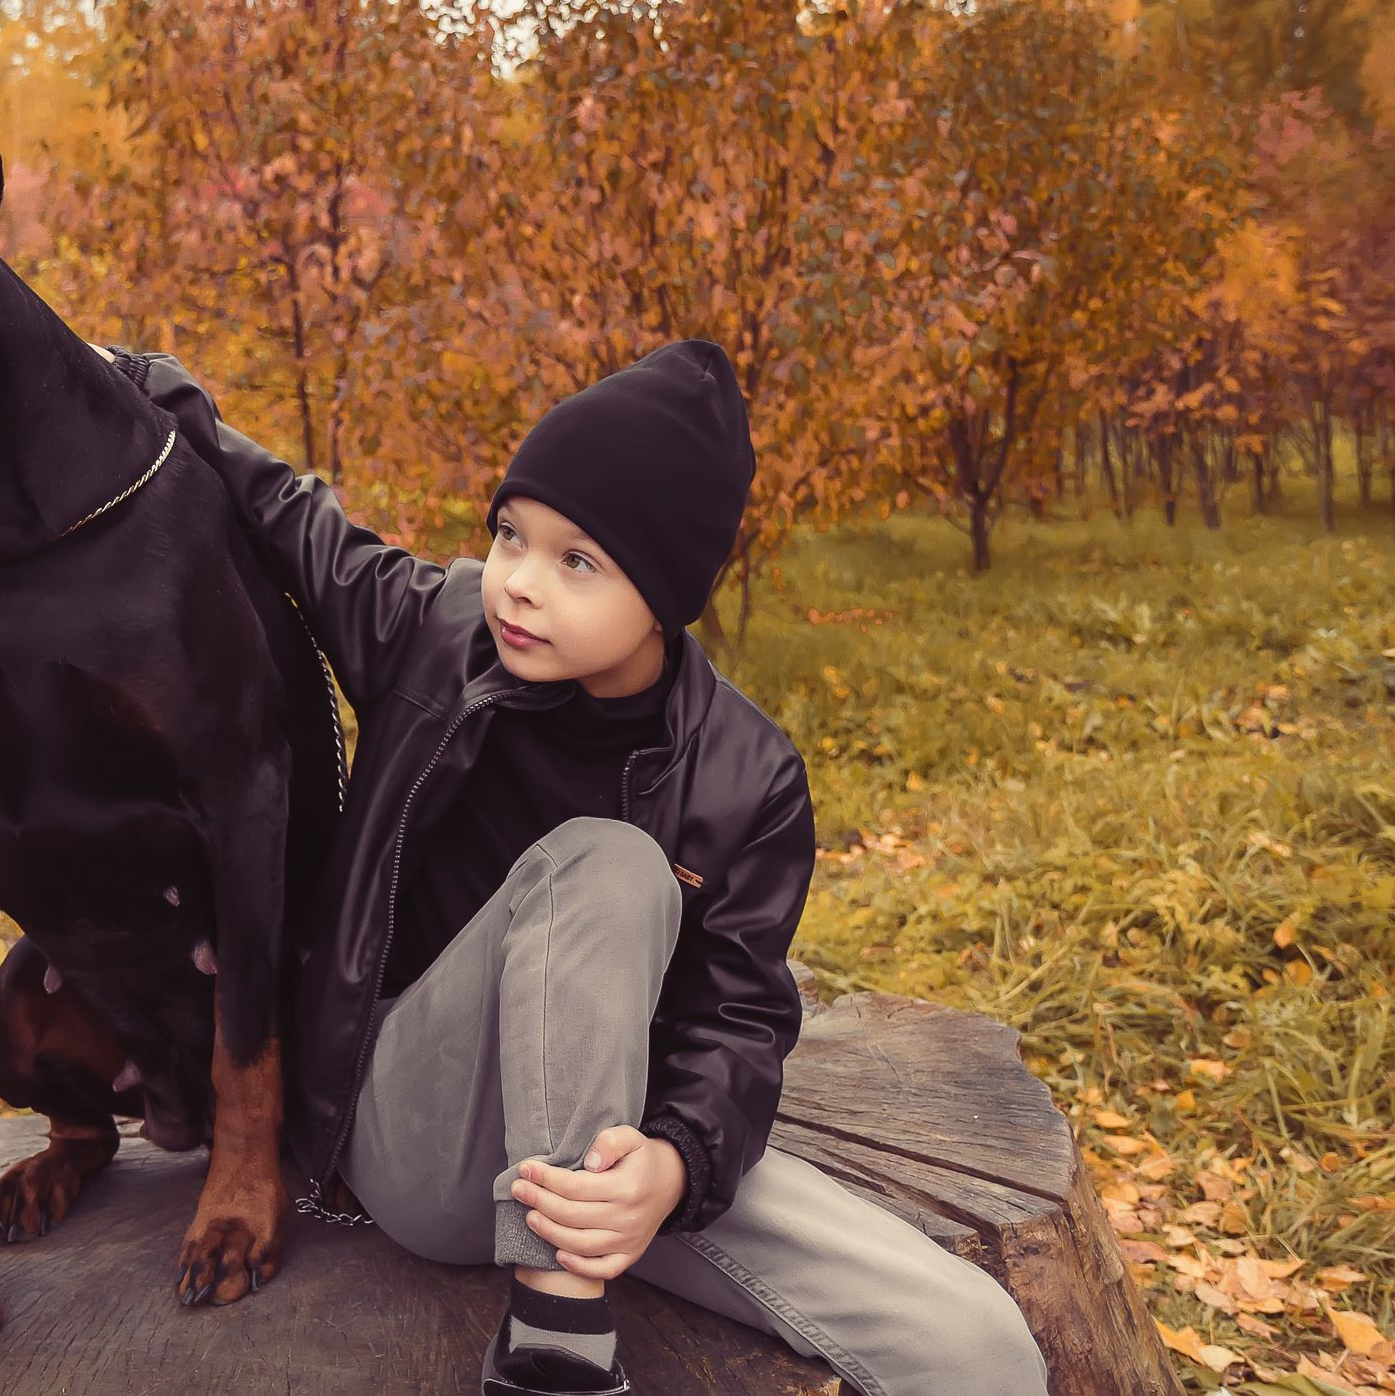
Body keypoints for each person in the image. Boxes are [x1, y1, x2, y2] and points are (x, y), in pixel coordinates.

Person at [92, 338, 1050, 1396]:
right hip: (415, 1131)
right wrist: (150, 381)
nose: (520, 585)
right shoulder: (433, 629)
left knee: (977, 1347)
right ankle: (555, 1339)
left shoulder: (748, 772)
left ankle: (592, 1250)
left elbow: (738, 1017)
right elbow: (286, 510)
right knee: (607, 865)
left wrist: (672, 1165)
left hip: (602, 1144)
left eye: (576, 560)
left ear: (665, 590)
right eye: (512, 535)